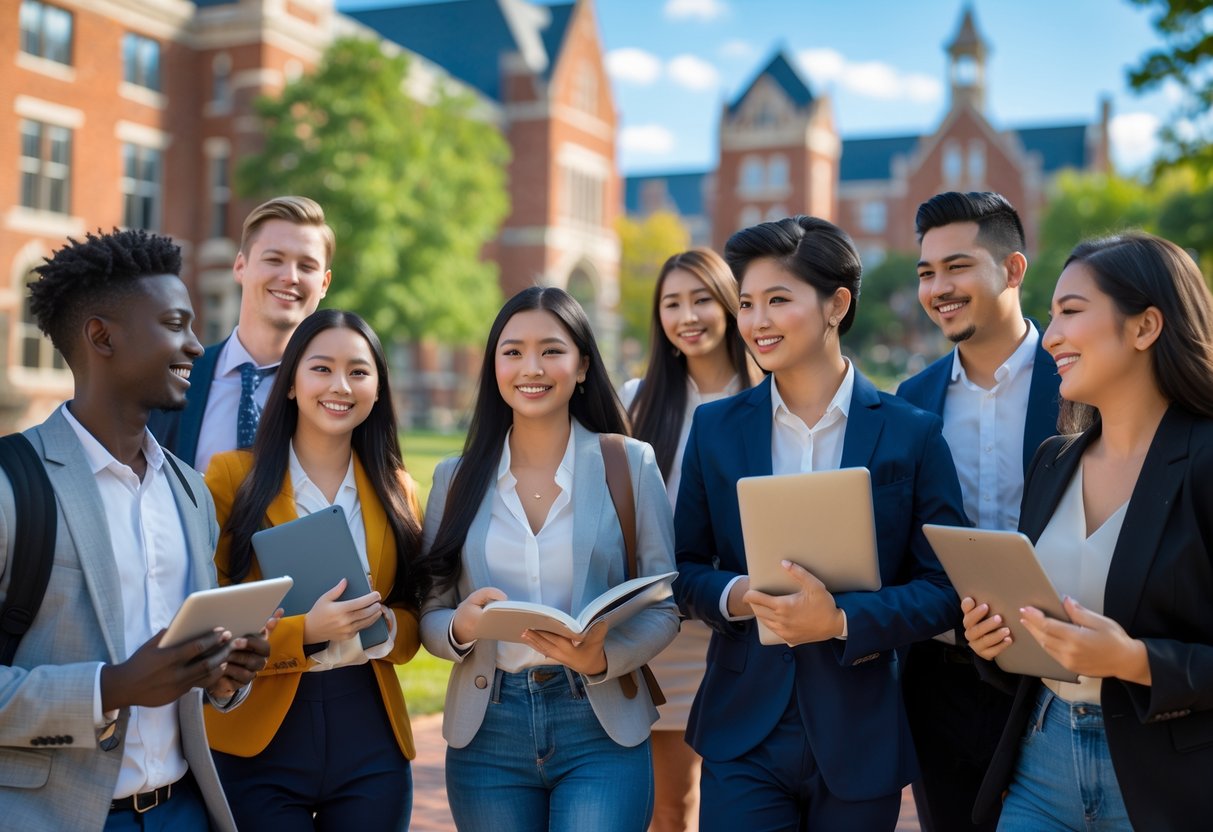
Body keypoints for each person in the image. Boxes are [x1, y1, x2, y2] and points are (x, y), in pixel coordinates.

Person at [674, 216, 967, 831]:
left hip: (859, 730)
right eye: (747, 304)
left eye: (778, 300)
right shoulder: (715, 430)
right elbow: (686, 570)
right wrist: (736, 595)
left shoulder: (911, 432)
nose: (757, 322)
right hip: (742, 728)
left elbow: (943, 591)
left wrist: (838, 619)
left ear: (837, 303)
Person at [0, 229, 272, 830]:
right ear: (102, 336)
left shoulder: (189, 491)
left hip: (185, 809)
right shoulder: (10, 485)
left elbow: (188, 688)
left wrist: (223, 674)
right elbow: (125, 684)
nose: (197, 346)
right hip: (55, 815)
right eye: (175, 324)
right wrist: (112, 687)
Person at [963, 232, 1213, 832]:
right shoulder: (1053, 461)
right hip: (1040, 765)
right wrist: (994, 640)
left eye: (1071, 312)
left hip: (1168, 782)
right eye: (1050, 317)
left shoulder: (1205, 461)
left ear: (1145, 326)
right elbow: (1032, 634)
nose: (1050, 337)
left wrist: (1133, 659)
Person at [418, 286, 680, 832]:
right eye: (512, 351)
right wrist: (461, 628)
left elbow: (663, 606)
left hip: (599, 721)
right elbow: (431, 610)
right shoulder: (455, 476)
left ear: (582, 365)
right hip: (488, 728)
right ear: (494, 366)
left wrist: (602, 658)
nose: (530, 367)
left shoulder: (628, 463)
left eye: (551, 350)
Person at [203, 309, 423, 830]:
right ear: (290, 384)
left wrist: (388, 628)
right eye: (321, 368)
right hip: (260, 736)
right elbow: (207, 611)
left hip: (369, 731)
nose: (340, 385)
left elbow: (416, 613)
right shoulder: (233, 477)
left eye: (359, 371)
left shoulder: (398, 488)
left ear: (377, 389)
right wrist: (306, 633)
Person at [897, 191, 1060, 832]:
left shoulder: (1083, 383)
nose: (939, 287)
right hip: (945, 679)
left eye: (957, 267)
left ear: (1013, 269)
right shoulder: (913, 398)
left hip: (1059, 676)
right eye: (927, 272)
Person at [619, 248, 758, 832]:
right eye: (672, 303)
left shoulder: (769, 394)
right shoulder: (636, 399)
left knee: (745, 805)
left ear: (728, 305)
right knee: (669, 808)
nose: (688, 315)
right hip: (663, 631)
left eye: (701, 298)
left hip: (749, 625)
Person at [151, 195, 334, 473]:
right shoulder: (172, 381)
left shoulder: (337, 395)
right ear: (240, 267)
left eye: (306, 266)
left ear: (323, 284)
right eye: (274, 259)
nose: (291, 276)